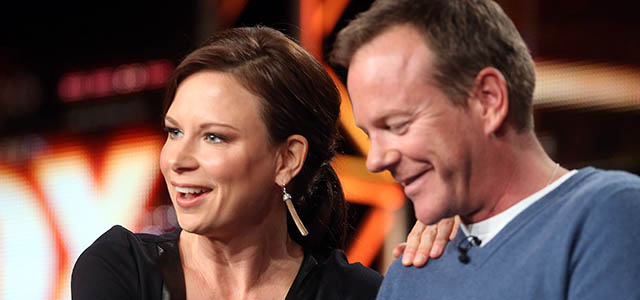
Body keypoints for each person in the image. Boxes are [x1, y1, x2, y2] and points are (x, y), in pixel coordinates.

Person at [71, 26, 452, 300]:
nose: (177, 160)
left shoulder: (355, 293)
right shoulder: (121, 268)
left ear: (286, 159)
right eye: (174, 132)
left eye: (213, 137)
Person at [331, 0, 640, 299]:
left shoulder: (607, 212)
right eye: (370, 135)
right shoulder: (409, 275)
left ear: (488, 100)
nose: (376, 160)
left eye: (397, 125)